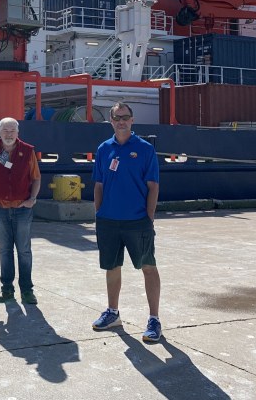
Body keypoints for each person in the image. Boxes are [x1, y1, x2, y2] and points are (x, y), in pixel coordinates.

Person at [91, 102, 162, 342]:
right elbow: (98, 185)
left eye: (126, 117)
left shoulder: (144, 149)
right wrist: (99, 213)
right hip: (108, 221)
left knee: (148, 268)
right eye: (117, 117)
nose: (121, 121)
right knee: (112, 267)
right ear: (110, 120)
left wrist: (148, 218)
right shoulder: (103, 149)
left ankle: (154, 319)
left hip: (137, 221)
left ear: (132, 120)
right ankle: (113, 313)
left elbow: (153, 186)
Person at [0, 117, 41, 304]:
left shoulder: (28, 151)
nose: (9, 134)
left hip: (22, 208)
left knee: (24, 250)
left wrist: (32, 200)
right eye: (5, 130)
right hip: (0, 208)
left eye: (12, 130)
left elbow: (36, 178)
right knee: (5, 250)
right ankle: (7, 289)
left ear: (18, 132)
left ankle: (27, 290)